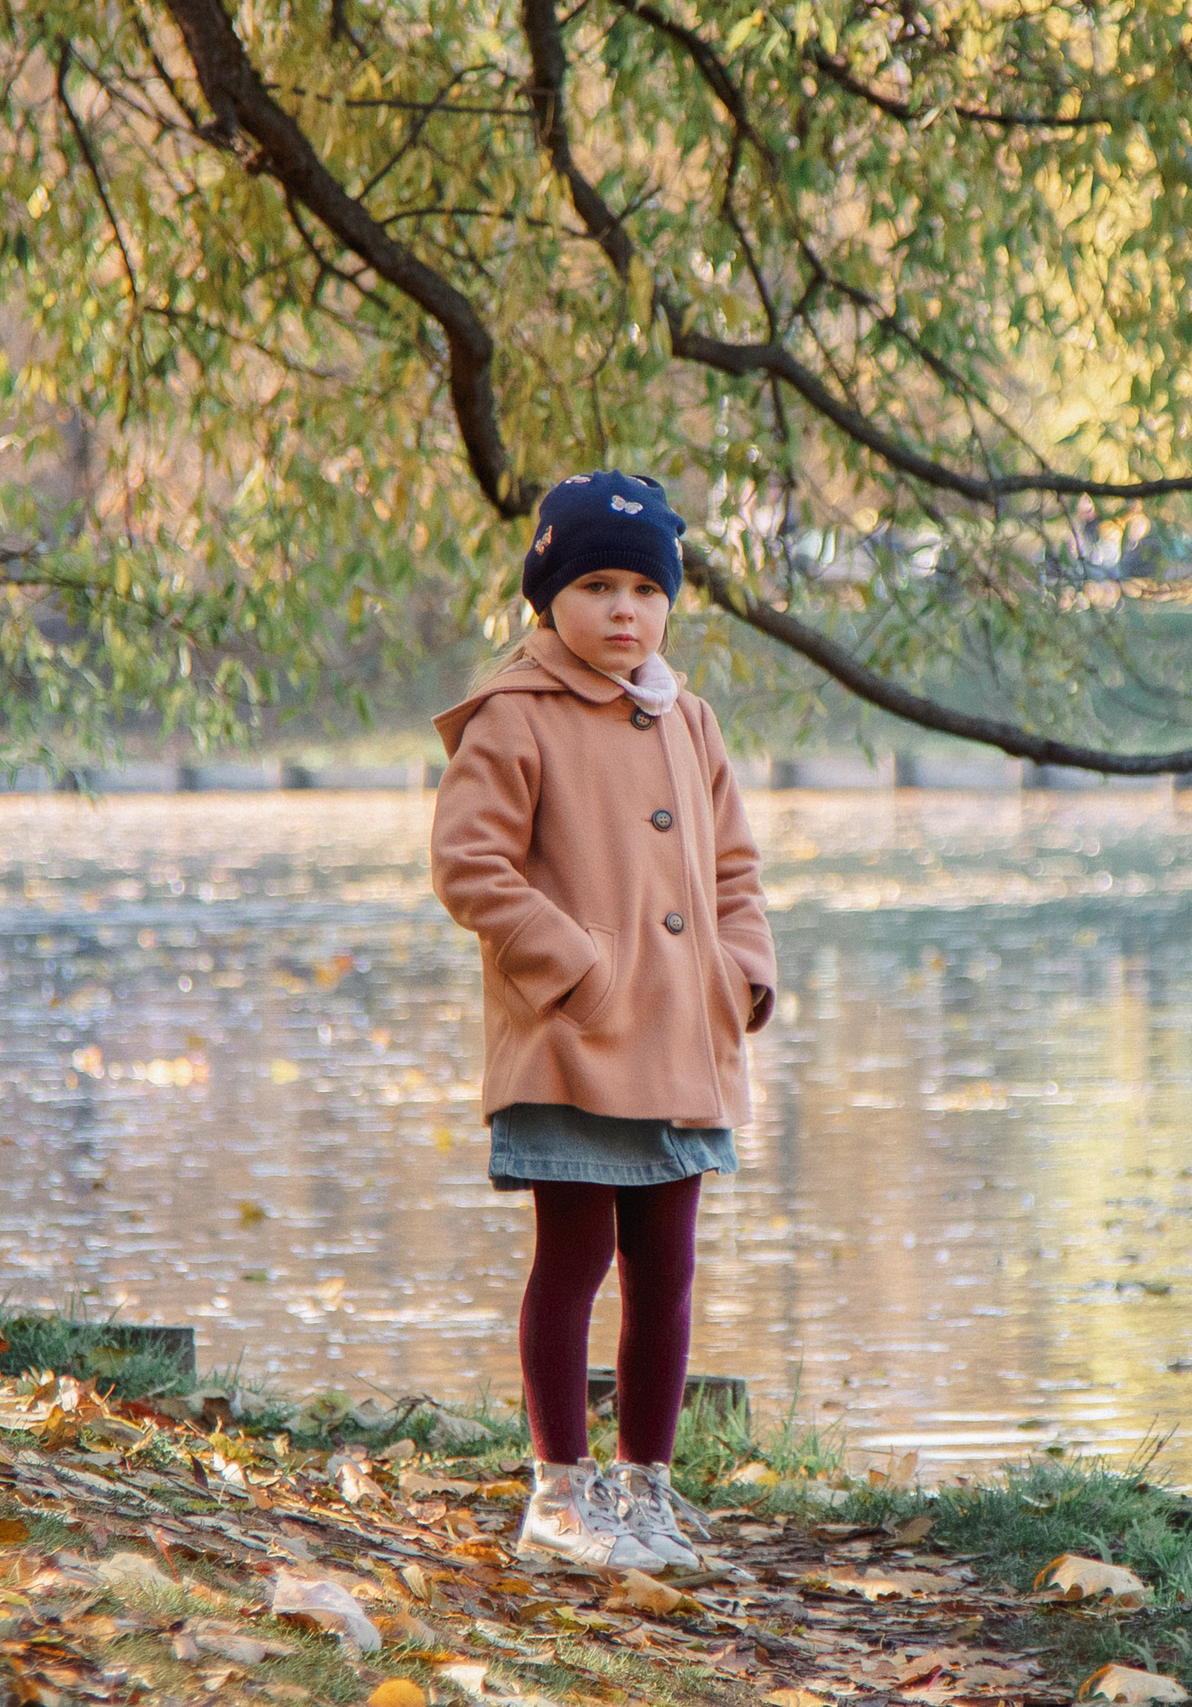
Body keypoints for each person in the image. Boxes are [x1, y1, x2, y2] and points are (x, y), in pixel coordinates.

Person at [430, 470, 778, 1573]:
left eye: (643, 587)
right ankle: (558, 1492)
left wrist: (744, 970)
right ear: (548, 598)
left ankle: (647, 1489)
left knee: (666, 1270)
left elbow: (734, 866)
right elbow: (470, 866)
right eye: (595, 586)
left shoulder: (693, 720)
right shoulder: (515, 716)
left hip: (683, 1041)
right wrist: (574, 968)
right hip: (573, 1043)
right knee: (573, 1258)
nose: (623, 610)